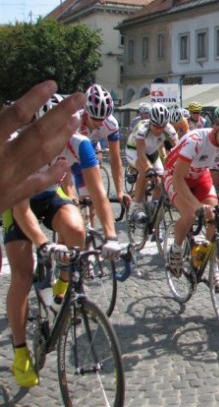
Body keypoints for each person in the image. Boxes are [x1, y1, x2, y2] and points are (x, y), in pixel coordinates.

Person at [3, 93, 123, 388]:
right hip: (17, 201)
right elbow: (19, 209)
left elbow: (96, 191)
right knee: (22, 273)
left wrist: (111, 236)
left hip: (49, 194)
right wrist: (44, 244)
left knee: (78, 231)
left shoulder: (80, 143)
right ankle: (20, 352)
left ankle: (63, 282)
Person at [163, 106, 219, 276]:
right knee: (189, 215)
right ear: (216, 128)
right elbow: (178, 179)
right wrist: (196, 205)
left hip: (201, 175)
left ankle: (202, 257)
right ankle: (176, 249)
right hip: (176, 176)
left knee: (216, 216)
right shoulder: (195, 141)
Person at [0, 81, 84, 214]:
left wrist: (70, 194)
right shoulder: (22, 143)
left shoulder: (70, 142)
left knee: (74, 227)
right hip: (18, 198)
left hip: (50, 193)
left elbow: (65, 169)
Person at [77, 84, 130, 207]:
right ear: (86, 113)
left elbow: (115, 160)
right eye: (95, 118)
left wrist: (119, 192)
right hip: (72, 151)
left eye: (103, 118)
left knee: (97, 195)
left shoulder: (111, 124)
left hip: (91, 146)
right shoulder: (75, 122)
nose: (100, 123)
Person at [126, 104, 178, 221]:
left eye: (162, 126)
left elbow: (179, 149)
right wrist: (148, 168)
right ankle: (136, 207)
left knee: (160, 179)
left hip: (152, 151)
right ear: (151, 123)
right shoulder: (142, 128)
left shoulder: (169, 129)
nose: (159, 129)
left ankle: (153, 205)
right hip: (134, 150)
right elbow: (140, 153)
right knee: (144, 172)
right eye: (156, 126)